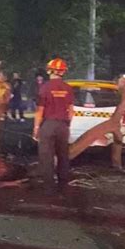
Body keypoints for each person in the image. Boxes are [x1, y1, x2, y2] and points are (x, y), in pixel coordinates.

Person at [32, 58, 74, 193]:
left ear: (49, 71)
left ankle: (49, 188)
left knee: (47, 156)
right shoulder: (68, 88)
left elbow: (40, 111)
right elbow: (71, 111)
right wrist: (67, 124)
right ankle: (63, 186)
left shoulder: (44, 88)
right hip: (63, 126)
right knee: (63, 155)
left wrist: (36, 128)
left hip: (48, 125)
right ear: (63, 72)